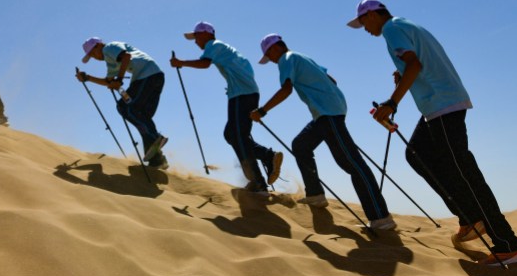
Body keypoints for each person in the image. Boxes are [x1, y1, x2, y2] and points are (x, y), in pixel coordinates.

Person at [348, 0, 517, 265]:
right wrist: (401, 74)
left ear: (373, 15)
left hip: (443, 106)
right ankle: (468, 216)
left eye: (363, 21)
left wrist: (391, 103)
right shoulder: (407, 25)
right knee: (416, 153)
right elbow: (415, 63)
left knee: (465, 173)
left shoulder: (391, 29)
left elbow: (415, 64)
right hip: (440, 107)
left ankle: (508, 244)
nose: (363, 28)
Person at [250, 33, 395, 230]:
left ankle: (381, 217)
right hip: (328, 113)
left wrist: (262, 110)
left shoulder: (286, 59)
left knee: (352, 163)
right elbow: (332, 80)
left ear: (274, 48)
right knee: (300, 144)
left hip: (329, 114)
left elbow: (286, 89)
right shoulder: (302, 57)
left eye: (270, 56)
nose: (272, 61)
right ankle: (316, 195)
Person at [170, 22, 282, 194]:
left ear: (206, 34)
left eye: (196, 36)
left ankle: (260, 177)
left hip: (241, 95)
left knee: (237, 135)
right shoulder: (222, 47)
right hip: (242, 93)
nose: (195, 41)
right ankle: (260, 172)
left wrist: (180, 62)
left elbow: (205, 64)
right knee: (232, 135)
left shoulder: (213, 45)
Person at [77, 38, 169, 169]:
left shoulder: (109, 47)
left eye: (92, 54)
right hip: (155, 76)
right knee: (141, 116)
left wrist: (119, 79)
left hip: (146, 76)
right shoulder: (111, 61)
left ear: (98, 45)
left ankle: (155, 138)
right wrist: (88, 78)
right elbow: (109, 81)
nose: (94, 58)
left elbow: (126, 56)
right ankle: (157, 160)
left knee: (125, 107)